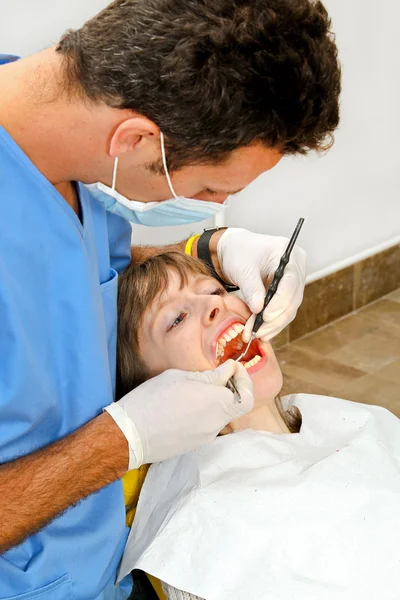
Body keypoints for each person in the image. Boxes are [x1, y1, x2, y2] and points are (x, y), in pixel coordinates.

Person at [0, 0, 341, 597]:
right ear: (135, 140)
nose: (211, 204)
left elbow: (65, 275)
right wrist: (122, 441)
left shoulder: (65, 147)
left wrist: (209, 250)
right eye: (209, 189)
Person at [116, 252, 400, 600]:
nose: (213, 305)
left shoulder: (350, 422)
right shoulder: (203, 524)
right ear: (148, 390)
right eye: (176, 319)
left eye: (216, 290)